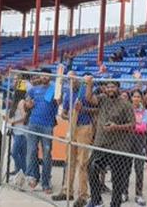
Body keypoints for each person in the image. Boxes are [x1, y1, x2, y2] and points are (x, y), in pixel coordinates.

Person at [84, 78, 135, 207]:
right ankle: (96, 200)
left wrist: (116, 127)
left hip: (118, 147)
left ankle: (115, 203)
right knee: (91, 167)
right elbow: (89, 98)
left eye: (113, 87)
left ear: (118, 88)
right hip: (101, 144)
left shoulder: (126, 104)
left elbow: (132, 125)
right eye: (108, 87)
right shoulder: (103, 99)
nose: (110, 89)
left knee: (117, 177)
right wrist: (89, 84)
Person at [52, 72, 94, 205]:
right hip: (72, 127)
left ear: (78, 80)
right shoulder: (68, 94)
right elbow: (64, 113)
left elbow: (94, 108)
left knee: (82, 162)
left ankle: (83, 195)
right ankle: (67, 191)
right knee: (69, 161)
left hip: (84, 127)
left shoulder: (84, 91)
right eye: (68, 79)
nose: (71, 81)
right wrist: (69, 114)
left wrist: (82, 109)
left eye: (73, 79)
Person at [25, 69, 59, 194]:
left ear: (50, 76)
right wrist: (29, 104)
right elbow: (27, 104)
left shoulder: (54, 89)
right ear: (40, 76)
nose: (44, 77)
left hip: (47, 126)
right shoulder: (33, 89)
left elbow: (58, 103)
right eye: (43, 75)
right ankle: (34, 177)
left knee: (46, 154)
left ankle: (46, 182)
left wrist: (58, 99)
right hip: (33, 124)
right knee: (32, 151)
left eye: (47, 75)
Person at [122, 89, 147, 206]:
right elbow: (124, 125)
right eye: (134, 96)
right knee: (125, 169)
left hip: (139, 142)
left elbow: (144, 127)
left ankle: (139, 194)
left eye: (138, 96)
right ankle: (124, 192)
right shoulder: (127, 109)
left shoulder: (145, 111)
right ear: (131, 98)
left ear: (141, 98)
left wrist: (132, 125)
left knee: (139, 169)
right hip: (127, 141)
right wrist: (135, 125)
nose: (136, 98)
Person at [8, 88, 28, 186]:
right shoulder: (16, 103)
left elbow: (25, 116)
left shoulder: (21, 102)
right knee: (22, 154)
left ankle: (21, 171)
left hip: (21, 132)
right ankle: (21, 172)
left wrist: (14, 122)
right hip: (17, 131)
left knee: (14, 153)